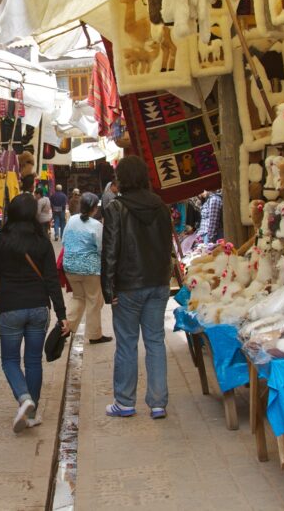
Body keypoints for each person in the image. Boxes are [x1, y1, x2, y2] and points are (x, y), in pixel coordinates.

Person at [0, 194, 70, 433]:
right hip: (38, 308)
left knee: (10, 360)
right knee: (33, 360)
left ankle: (24, 398)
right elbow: (52, 280)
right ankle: (31, 414)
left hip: (10, 307)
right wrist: (62, 313)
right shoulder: (41, 241)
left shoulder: (1, 240)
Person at [101, 155, 173, 419]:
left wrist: (109, 289)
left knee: (127, 343)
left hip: (128, 286)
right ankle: (157, 403)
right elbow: (166, 247)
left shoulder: (116, 209)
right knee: (155, 341)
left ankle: (124, 401)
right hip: (158, 283)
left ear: (122, 179)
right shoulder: (161, 207)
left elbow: (110, 251)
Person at [62, 192, 111, 344]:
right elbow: (101, 248)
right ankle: (95, 335)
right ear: (95, 209)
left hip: (70, 266)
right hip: (90, 269)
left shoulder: (72, 220)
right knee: (93, 301)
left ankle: (65, 329)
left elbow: (64, 241)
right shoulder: (97, 226)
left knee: (78, 297)